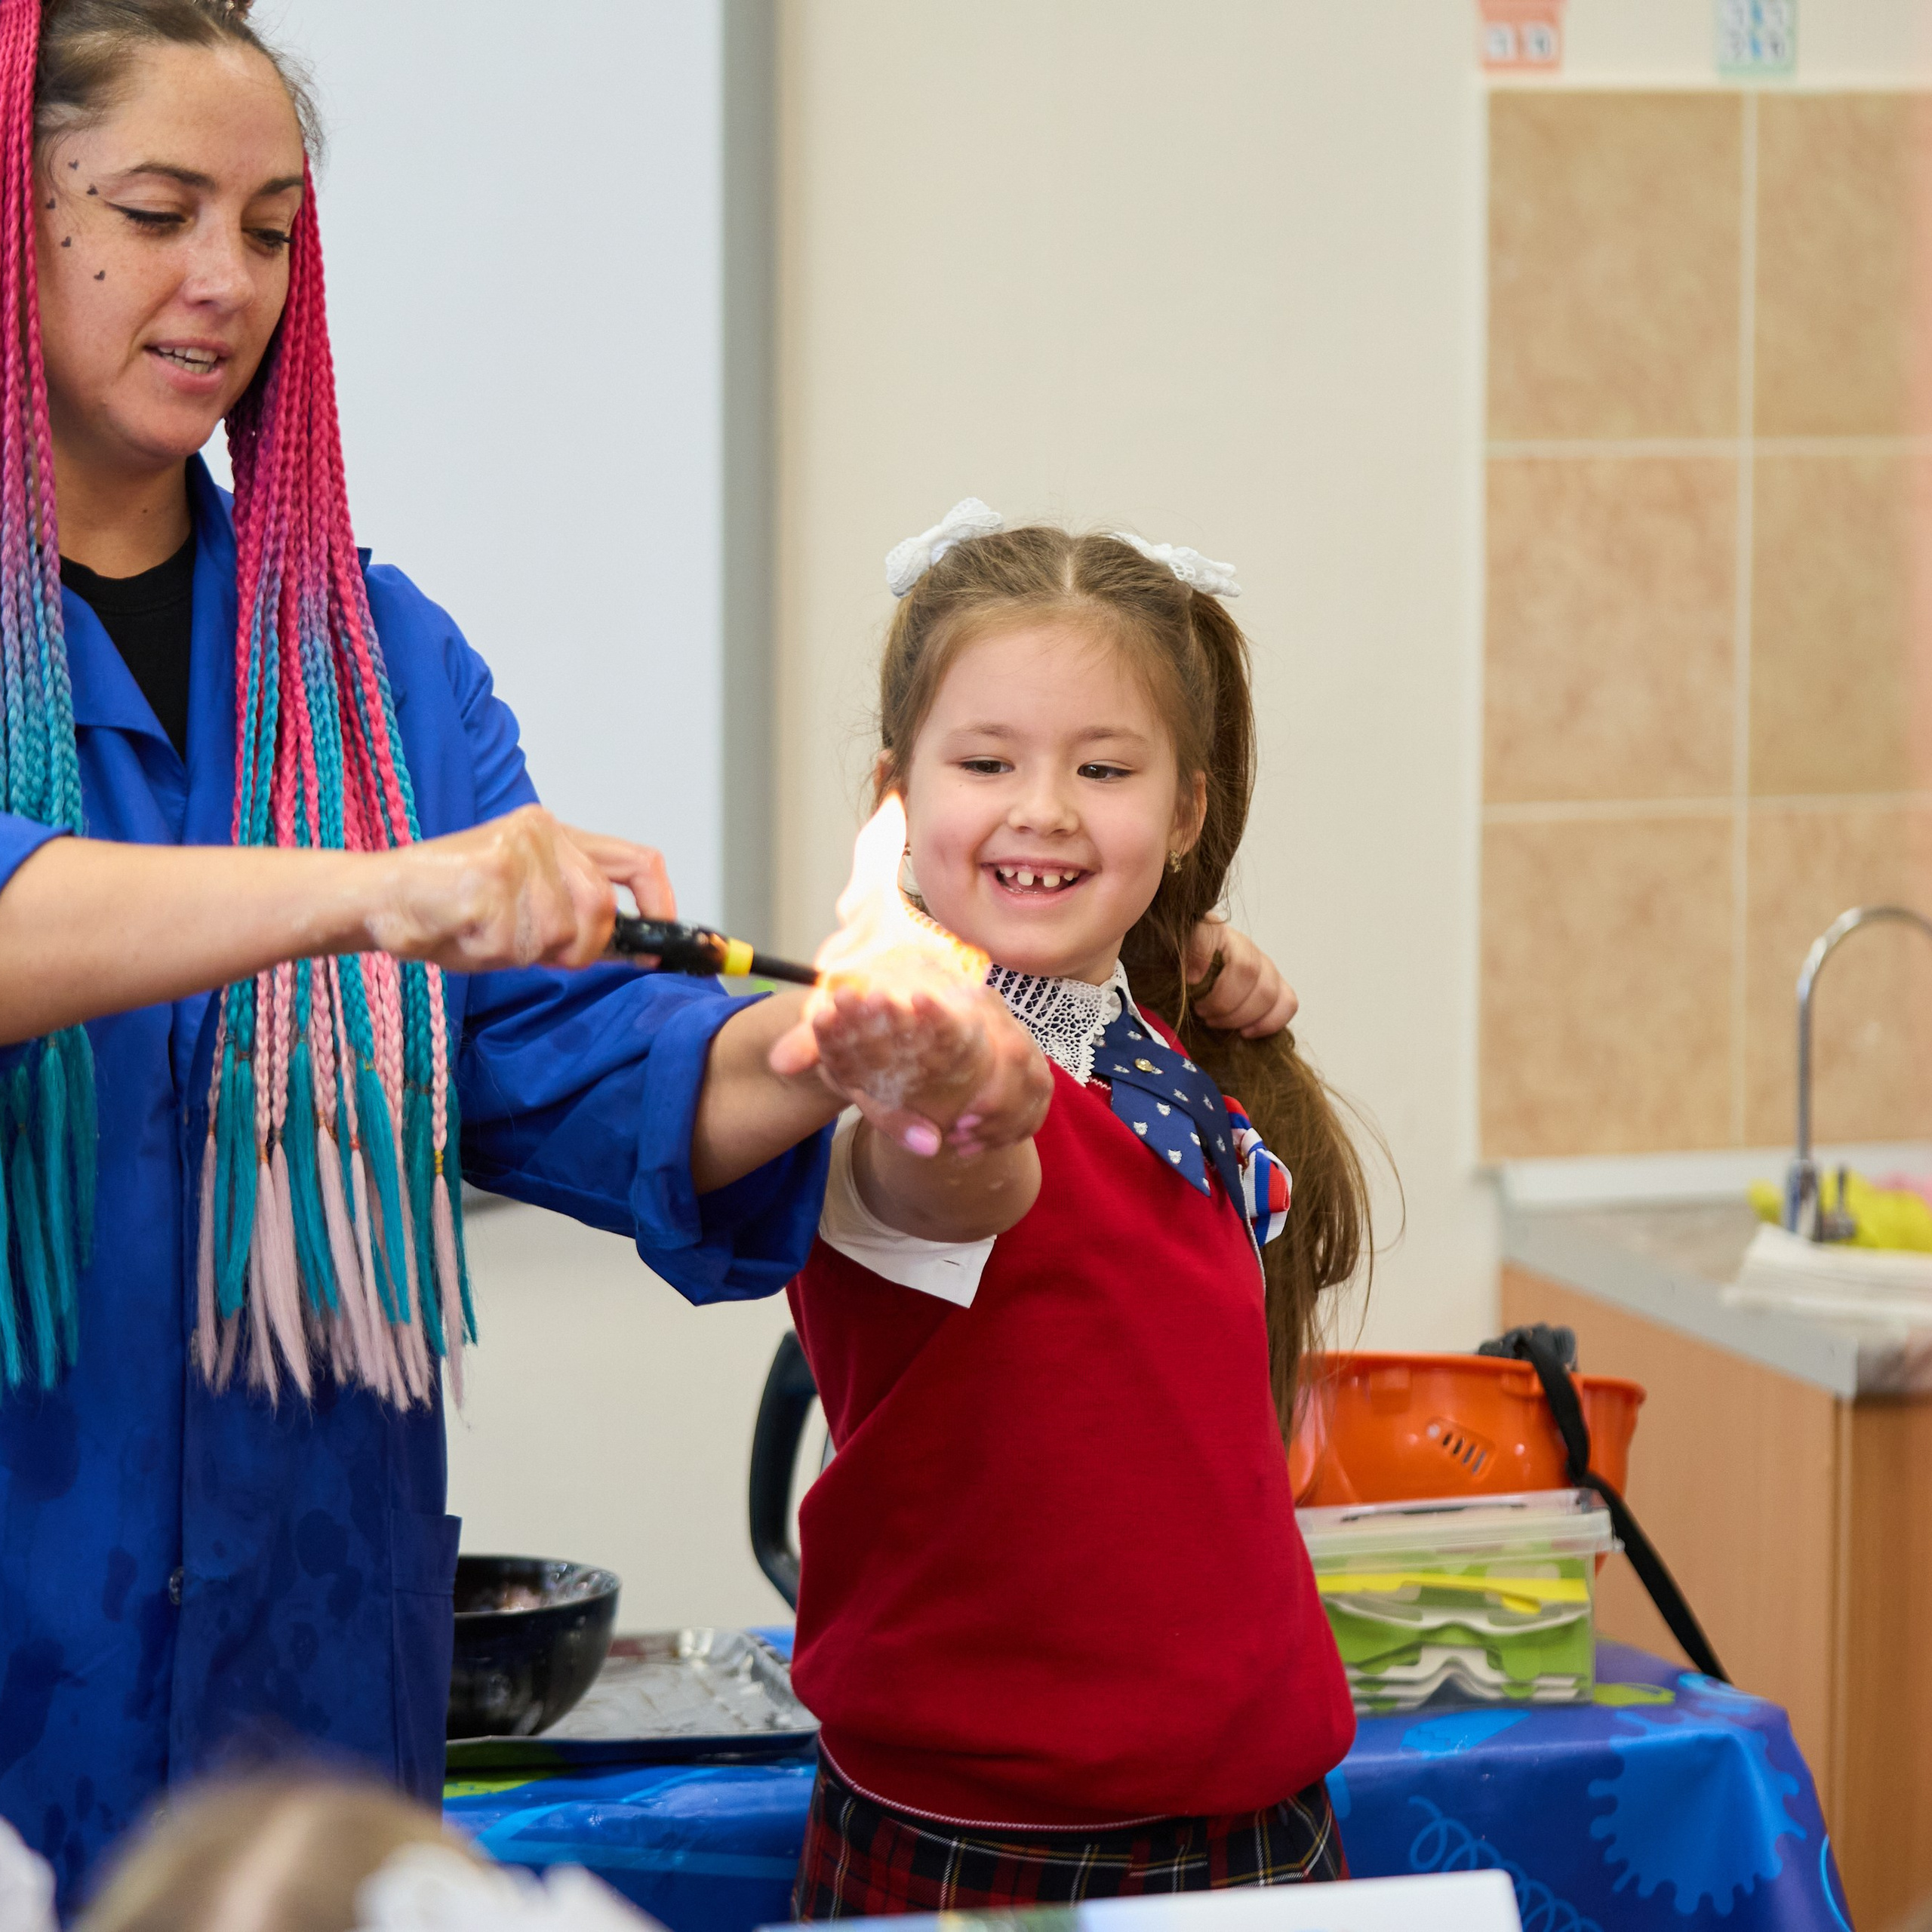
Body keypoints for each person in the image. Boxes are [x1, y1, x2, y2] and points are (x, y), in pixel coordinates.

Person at [0, 4, 1297, 1909]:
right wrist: (363, 892)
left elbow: (572, 1058)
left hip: (300, 1689)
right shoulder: (366, 815)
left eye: (272, 228)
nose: (225, 282)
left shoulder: (378, 665)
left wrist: (837, 1043)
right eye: (159, 209)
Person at [784, 504, 1374, 1915]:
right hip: (994, 1839)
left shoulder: (1146, 1041)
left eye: (1102, 769)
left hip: (1259, 1801)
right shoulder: (900, 1075)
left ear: (1183, 813)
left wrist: (1189, 965)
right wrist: (939, 1075)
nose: (1042, 809)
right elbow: (951, 1160)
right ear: (894, 800)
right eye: (986, 763)